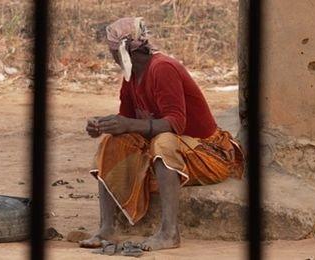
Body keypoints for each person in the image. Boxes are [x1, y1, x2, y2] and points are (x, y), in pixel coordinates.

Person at [80, 17, 245, 251]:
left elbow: (175, 123)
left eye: (112, 50)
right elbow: (128, 123)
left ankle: (169, 232)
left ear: (124, 50)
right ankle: (107, 228)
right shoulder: (132, 76)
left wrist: (127, 124)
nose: (111, 56)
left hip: (209, 155)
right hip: (183, 151)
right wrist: (105, 127)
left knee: (164, 142)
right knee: (113, 142)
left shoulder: (163, 68)